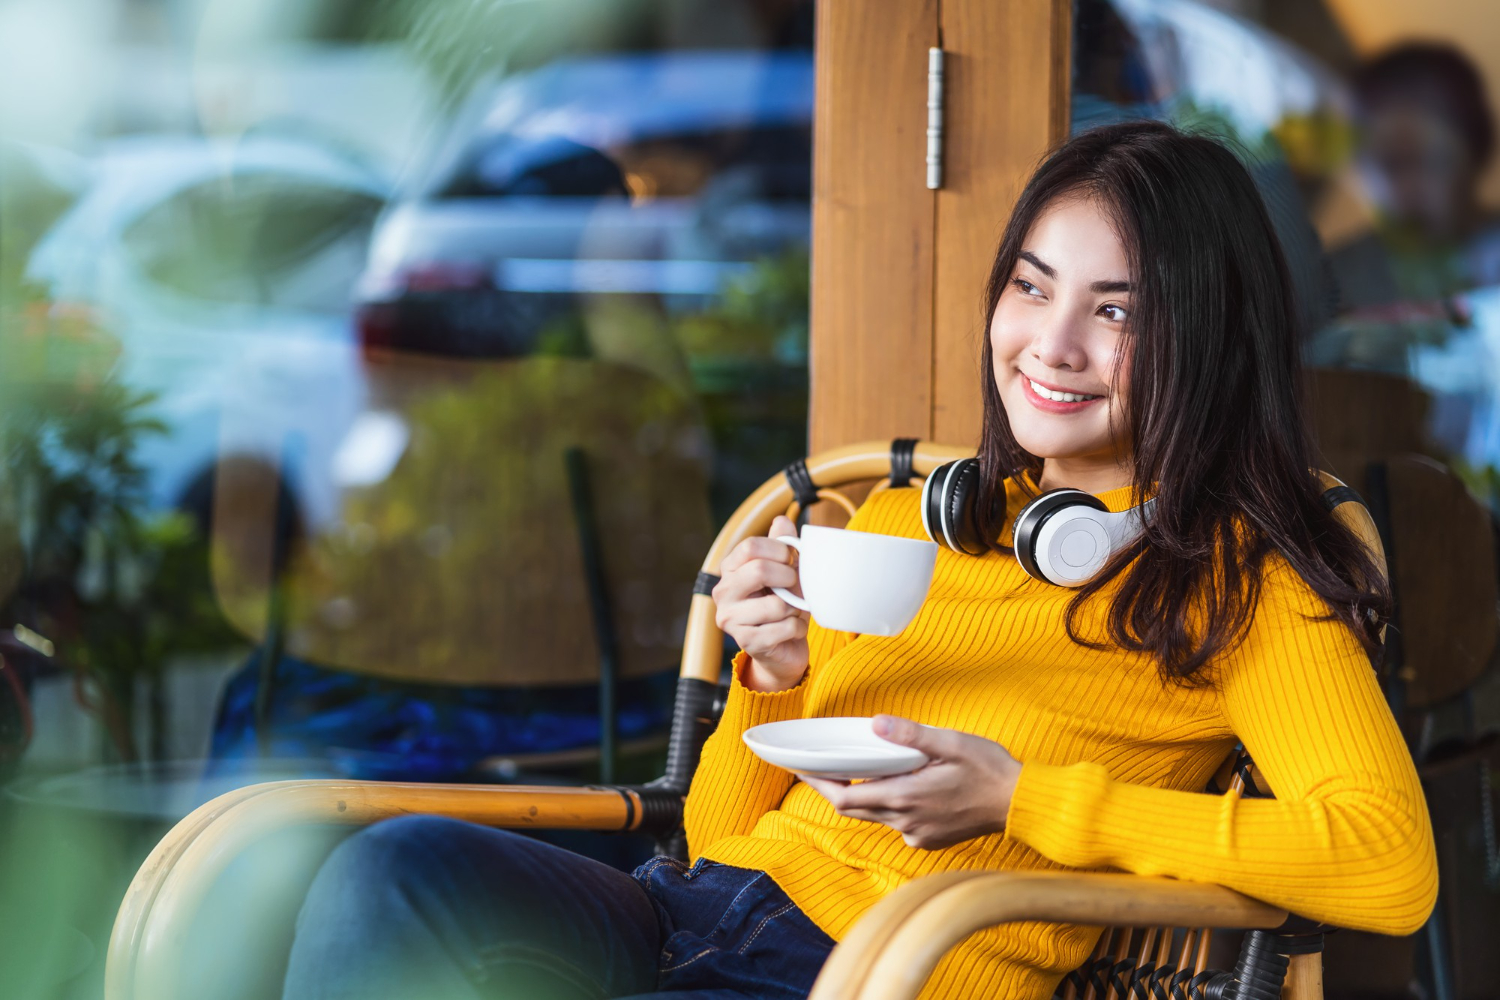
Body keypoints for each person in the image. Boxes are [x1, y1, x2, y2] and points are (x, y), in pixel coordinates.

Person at [279, 120, 1437, 1000]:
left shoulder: (1240, 578)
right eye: (1032, 286)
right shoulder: (900, 522)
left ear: (1206, 336)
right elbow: (728, 842)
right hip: (690, 918)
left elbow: (1388, 866)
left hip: (873, 968)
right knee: (395, 872)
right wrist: (769, 673)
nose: (1053, 343)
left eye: (1118, 313)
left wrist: (1022, 799)